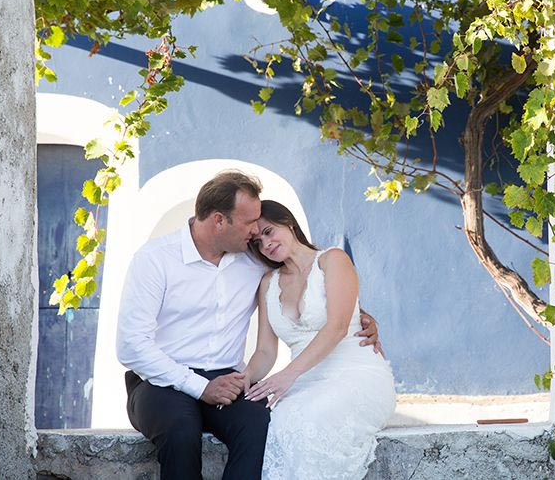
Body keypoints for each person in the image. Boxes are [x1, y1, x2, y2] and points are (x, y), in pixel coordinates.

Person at [116, 170, 380, 479]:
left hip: (229, 380)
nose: (256, 231)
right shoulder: (155, 259)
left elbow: (311, 281)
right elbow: (131, 345)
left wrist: (361, 316)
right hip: (160, 381)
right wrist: (201, 387)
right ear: (219, 221)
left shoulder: (253, 260)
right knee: (180, 431)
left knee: (260, 425)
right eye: (249, 222)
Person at [242, 200, 396, 479]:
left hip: (356, 375)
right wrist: (245, 377)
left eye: (268, 231)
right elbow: (265, 351)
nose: (265, 244)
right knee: (280, 424)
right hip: (304, 385)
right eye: (256, 242)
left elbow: (337, 327)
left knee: (315, 419)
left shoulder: (332, 260)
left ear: (287, 222)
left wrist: (286, 376)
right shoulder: (268, 283)